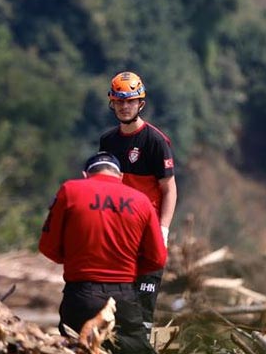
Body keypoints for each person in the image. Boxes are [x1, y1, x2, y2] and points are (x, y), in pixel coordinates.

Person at [39, 151, 167, 354]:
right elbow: (158, 258)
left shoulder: (70, 190)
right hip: (123, 297)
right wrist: (129, 270)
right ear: (121, 176)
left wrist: (76, 260)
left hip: (80, 295)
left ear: (85, 174)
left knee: (76, 349)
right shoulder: (141, 201)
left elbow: (47, 247)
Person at [98, 71, 177, 336]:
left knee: (143, 312)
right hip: (118, 235)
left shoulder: (156, 141)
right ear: (112, 103)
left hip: (148, 234)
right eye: (119, 101)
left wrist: (163, 230)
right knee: (114, 307)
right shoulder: (107, 141)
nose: (124, 106)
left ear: (140, 103)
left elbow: (169, 189)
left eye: (130, 101)